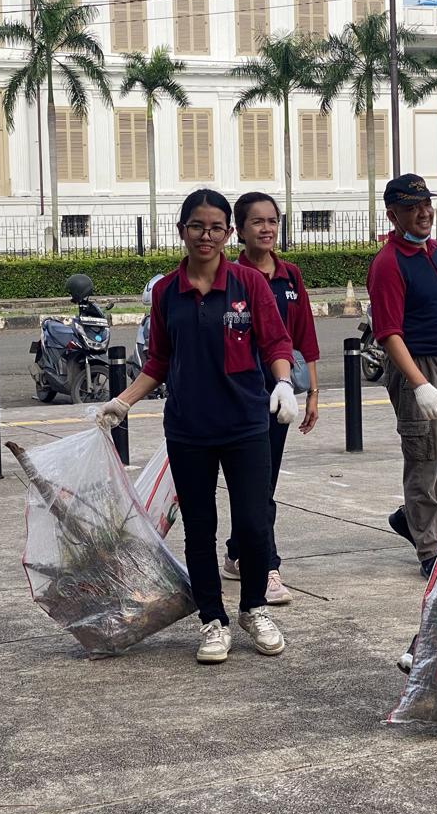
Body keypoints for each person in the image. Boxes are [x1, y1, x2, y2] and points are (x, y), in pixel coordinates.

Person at [97, 189, 299, 665]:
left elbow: (275, 342)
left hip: (246, 424)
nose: (205, 236)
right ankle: (213, 619)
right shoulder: (167, 292)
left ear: (228, 233)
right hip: (189, 429)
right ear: (182, 231)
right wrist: (122, 402)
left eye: (215, 228)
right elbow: (159, 360)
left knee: (253, 524)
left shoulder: (249, 284)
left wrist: (284, 383)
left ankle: (253, 608)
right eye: (196, 227)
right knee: (199, 527)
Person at [367, 173, 437, 578]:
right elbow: (388, 333)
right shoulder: (388, 263)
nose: (423, 212)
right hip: (420, 369)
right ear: (392, 215)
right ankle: (430, 548)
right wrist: (419, 384)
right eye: (412, 207)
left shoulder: (434, 250)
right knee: (424, 462)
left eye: (426, 204)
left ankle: (411, 519)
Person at [221, 192, 321, 607]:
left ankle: (236, 552)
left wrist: (312, 391)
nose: (266, 228)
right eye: (257, 221)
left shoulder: (289, 275)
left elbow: (304, 336)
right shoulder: (230, 276)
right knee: (257, 484)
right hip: (241, 395)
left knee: (263, 481)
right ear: (240, 231)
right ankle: (266, 566)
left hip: (280, 395)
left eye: (272, 221)